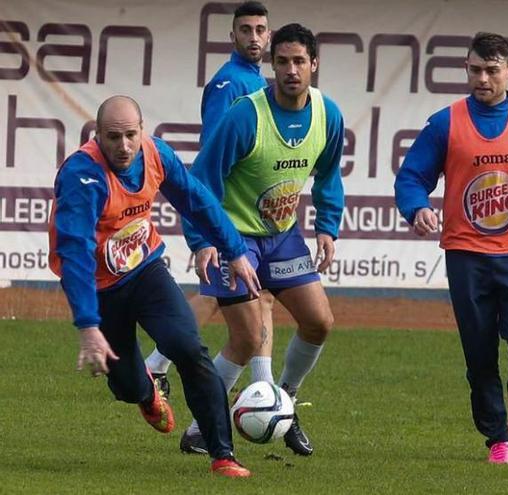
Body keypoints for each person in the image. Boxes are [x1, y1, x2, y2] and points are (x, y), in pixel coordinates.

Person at [48, 95, 261, 477]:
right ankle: (146, 392)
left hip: (145, 271)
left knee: (188, 347)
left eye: (131, 135)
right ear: (97, 135)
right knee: (127, 387)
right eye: (113, 137)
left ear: (142, 131)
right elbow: (76, 255)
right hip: (98, 288)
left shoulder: (155, 154)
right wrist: (87, 326)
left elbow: (196, 200)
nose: (124, 146)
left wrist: (235, 250)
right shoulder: (83, 176)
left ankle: (222, 454)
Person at [394, 32, 508, 464]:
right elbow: (411, 177)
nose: (483, 78)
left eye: (492, 71)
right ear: (466, 69)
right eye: (475, 69)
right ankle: (497, 438)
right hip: (466, 253)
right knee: (479, 354)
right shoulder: (445, 122)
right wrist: (416, 207)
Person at [182, 22, 345, 458]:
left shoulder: (328, 114)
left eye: (298, 62)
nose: (290, 70)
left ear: (314, 64)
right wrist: (202, 241)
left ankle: (283, 403)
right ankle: (202, 427)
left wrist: (327, 226)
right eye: (282, 62)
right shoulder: (245, 115)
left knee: (319, 322)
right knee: (248, 339)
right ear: (271, 66)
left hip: (281, 235)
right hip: (234, 240)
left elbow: (329, 175)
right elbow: (200, 181)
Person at [142, 3, 278, 448]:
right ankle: (174, 376)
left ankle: (260, 391)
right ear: (232, 34)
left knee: (244, 298)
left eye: (260, 30)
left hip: (248, 211)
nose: (254, 37)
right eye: (245, 30)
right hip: (229, 212)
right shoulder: (229, 82)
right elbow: (217, 155)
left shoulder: (256, 79)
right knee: (235, 298)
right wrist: (208, 230)